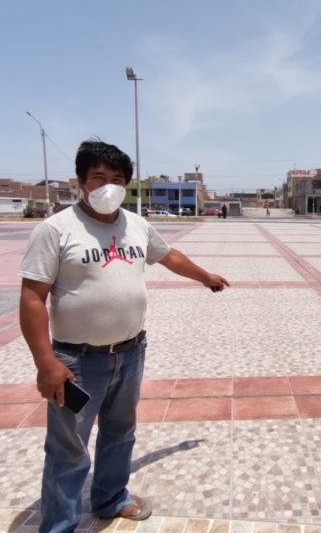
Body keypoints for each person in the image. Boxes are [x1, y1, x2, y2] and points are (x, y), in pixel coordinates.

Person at [19, 140, 229, 533]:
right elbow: (32, 298)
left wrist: (206, 277)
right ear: (81, 181)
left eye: (117, 179)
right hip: (75, 362)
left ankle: (111, 496)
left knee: (120, 433)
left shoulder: (136, 224)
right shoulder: (56, 230)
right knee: (68, 449)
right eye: (99, 176)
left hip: (130, 353)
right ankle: (59, 526)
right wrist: (45, 362)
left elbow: (169, 256)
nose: (108, 185)